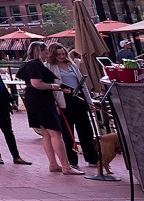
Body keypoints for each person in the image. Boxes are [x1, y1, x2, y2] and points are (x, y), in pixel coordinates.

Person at [16, 41, 82, 176]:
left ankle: (53, 164)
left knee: (46, 133)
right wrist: (54, 87)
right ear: (39, 51)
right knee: (56, 133)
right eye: (45, 52)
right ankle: (66, 166)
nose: (47, 55)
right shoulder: (35, 64)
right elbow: (36, 83)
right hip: (41, 100)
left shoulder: (29, 64)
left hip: (34, 100)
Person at [48, 42, 99, 170]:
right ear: (53, 55)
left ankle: (92, 158)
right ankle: (72, 160)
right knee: (68, 132)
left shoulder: (72, 65)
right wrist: (55, 104)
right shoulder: (50, 66)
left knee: (86, 130)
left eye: (63, 54)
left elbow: (82, 84)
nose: (61, 56)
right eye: (58, 54)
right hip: (64, 100)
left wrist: (89, 101)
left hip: (78, 98)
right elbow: (51, 87)